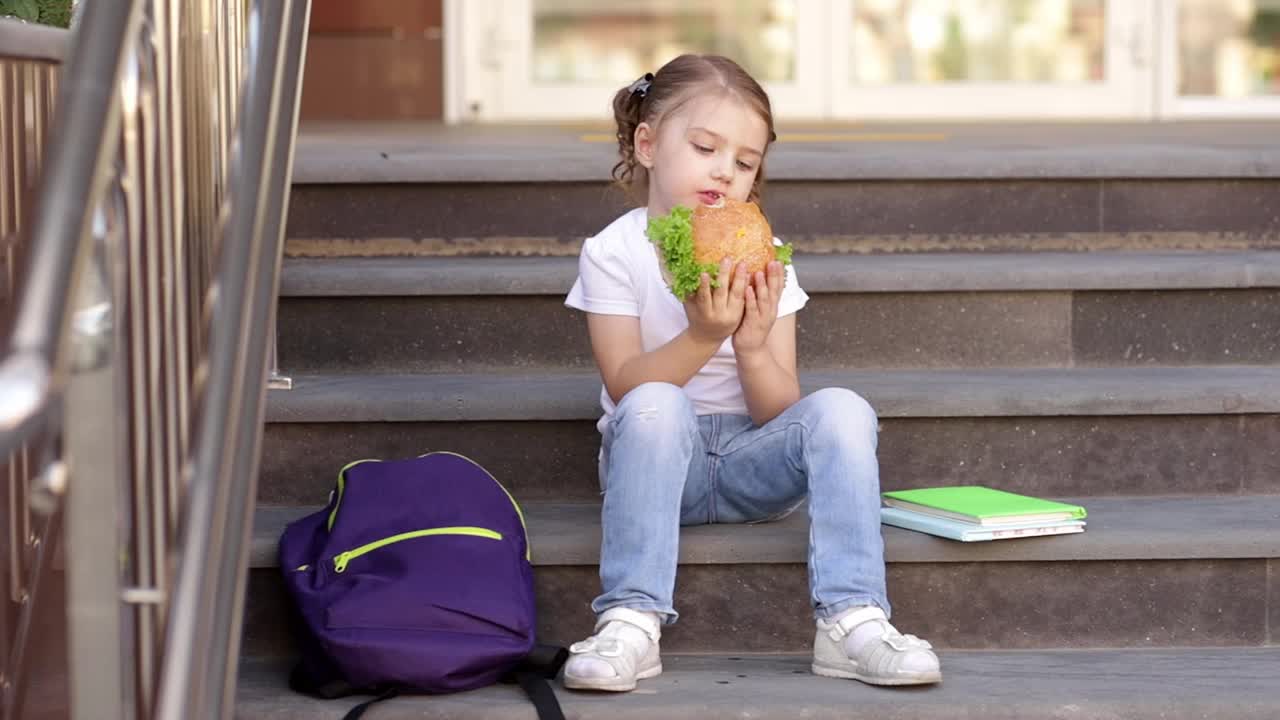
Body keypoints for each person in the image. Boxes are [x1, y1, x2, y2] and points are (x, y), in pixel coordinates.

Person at [561, 54, 941, 692]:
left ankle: (853, 619)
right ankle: (631, 618)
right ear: (648, 144)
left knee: (842, 408)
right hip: (658, 466)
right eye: (706, 147)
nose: (724, 171)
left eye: (744, 162)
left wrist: (754, 347)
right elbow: (628, 387)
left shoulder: (766, 260)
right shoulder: (614, 252)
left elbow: (779, 411)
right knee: (657, 403)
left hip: (751, 465)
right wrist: (705, 334)